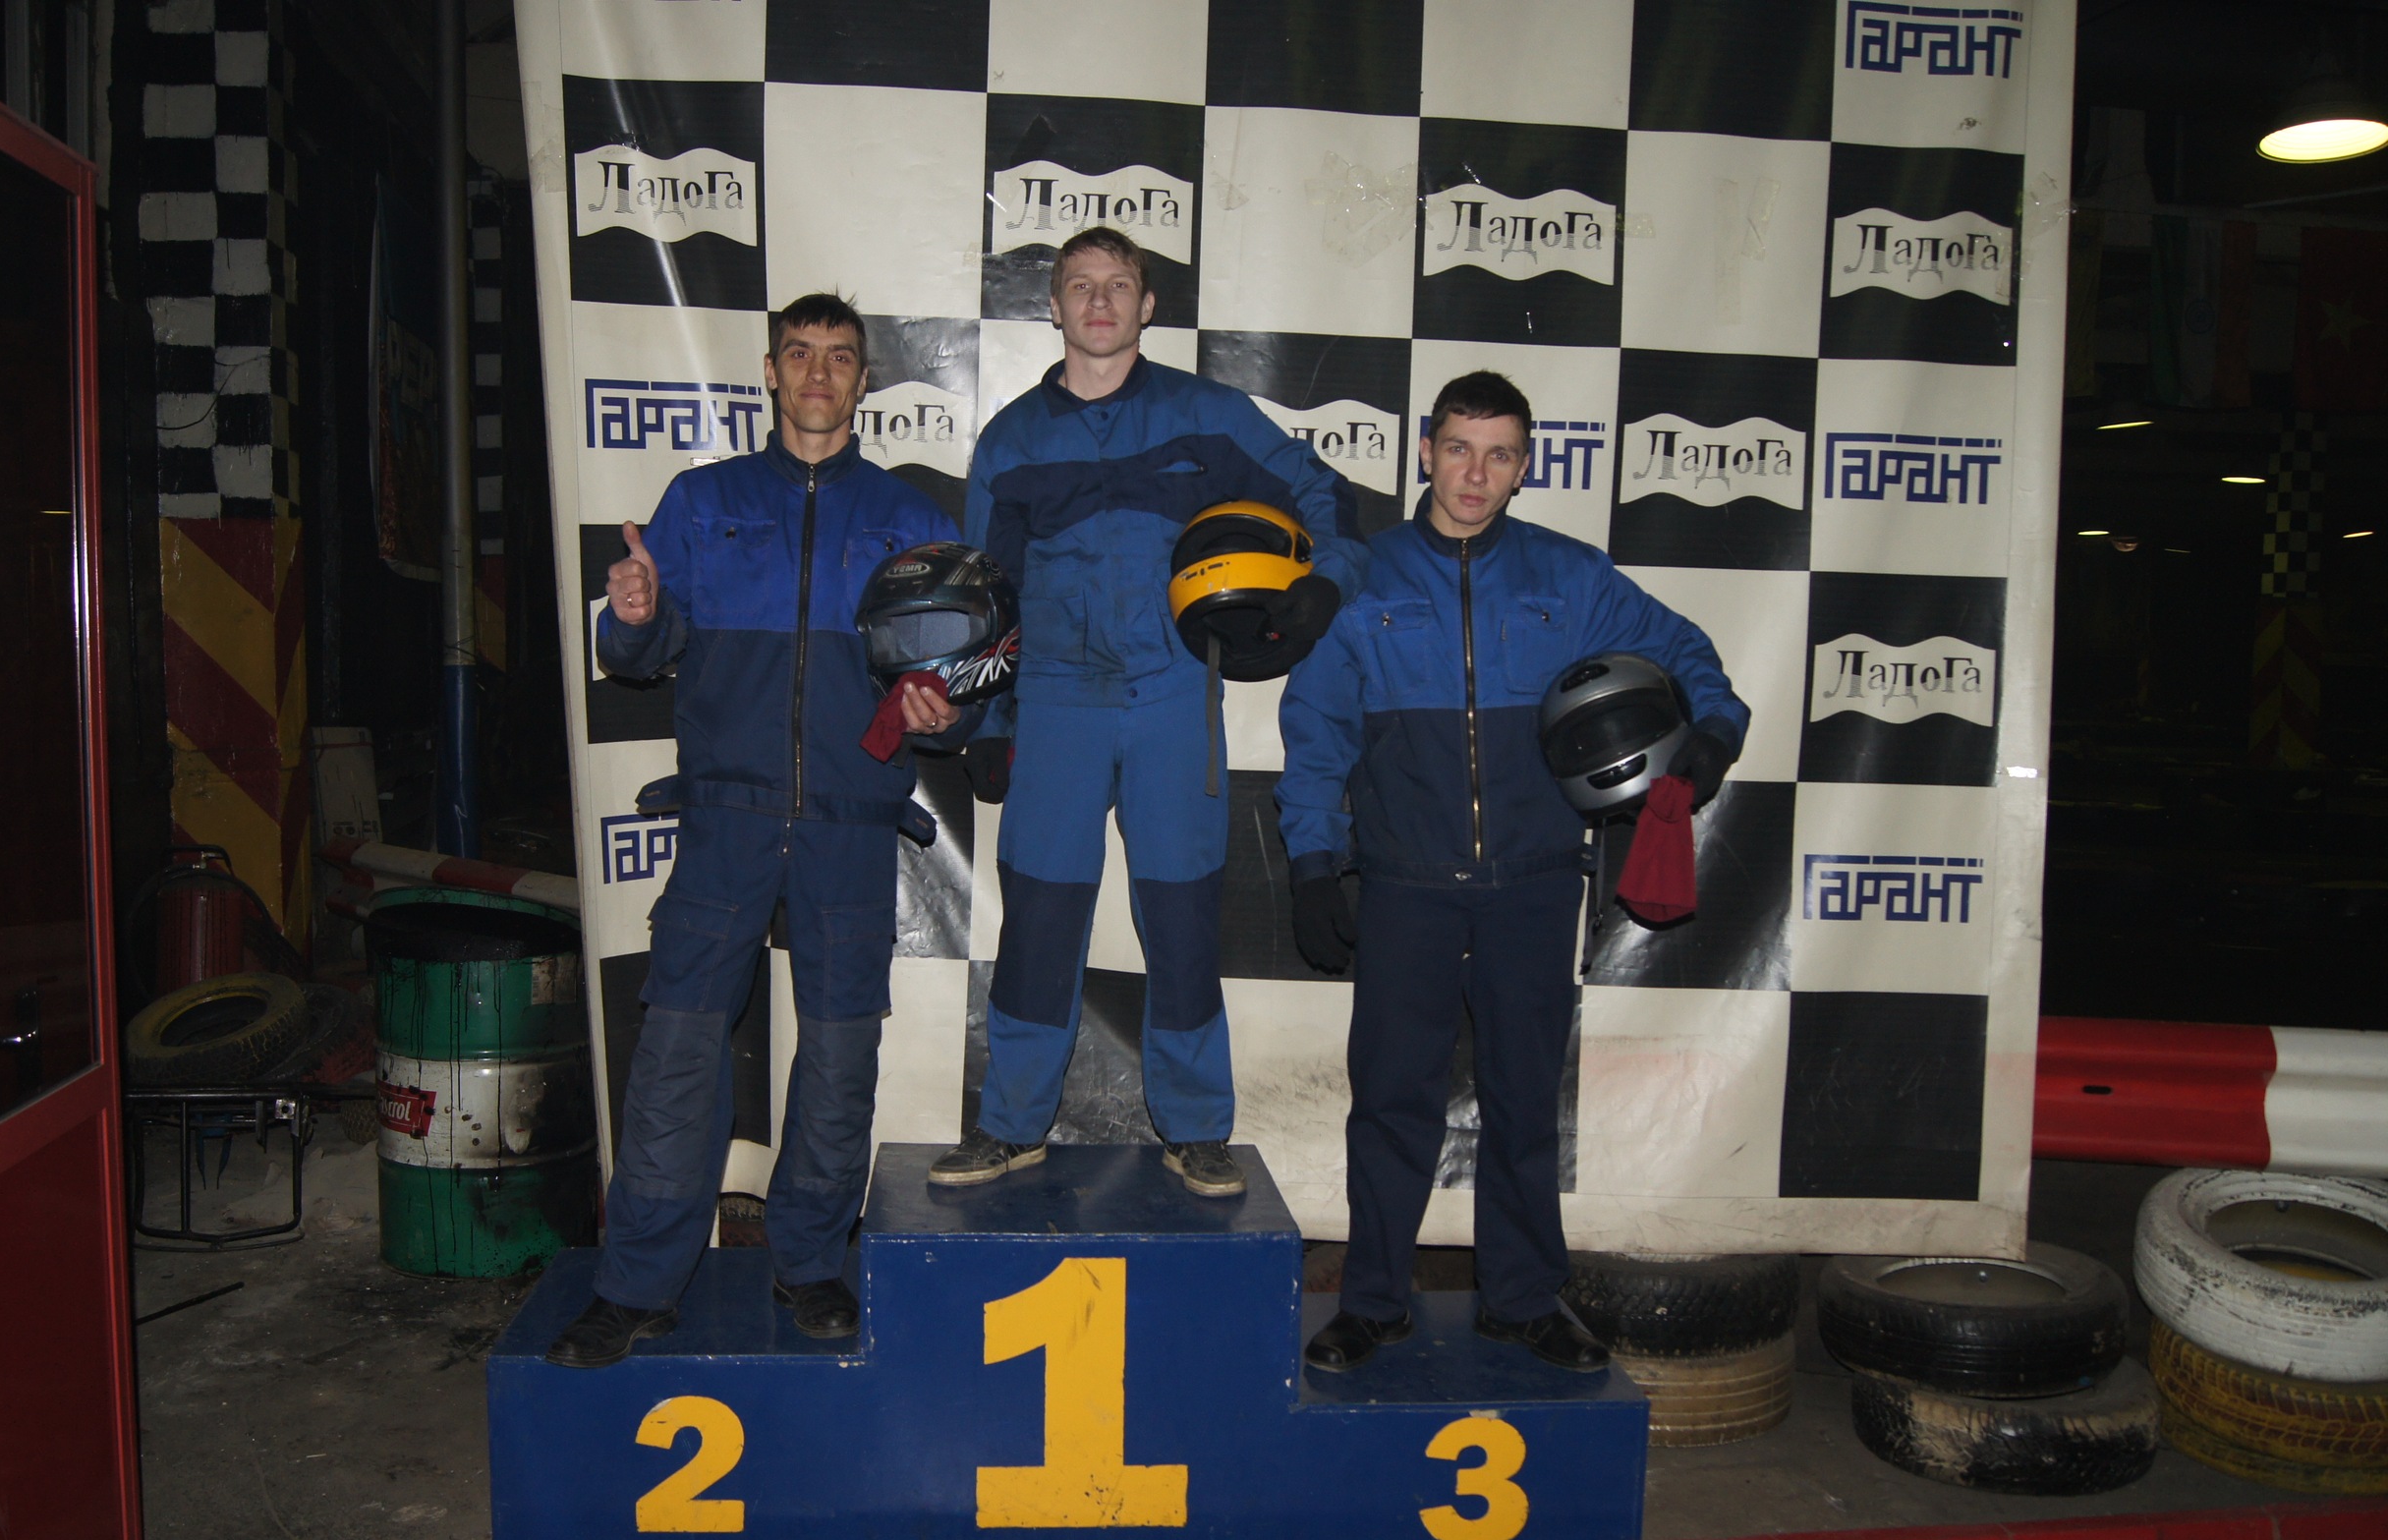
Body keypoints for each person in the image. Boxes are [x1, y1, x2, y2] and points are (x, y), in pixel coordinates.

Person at [1276, 371, 1748, 1373]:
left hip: (1535, 883)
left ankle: (1524, 1299)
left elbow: (1688, 652)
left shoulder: (1568, 577)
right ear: (1425, 452)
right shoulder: (1364, 578)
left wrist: (1711, 735)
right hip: (1404, 883)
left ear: (1525, 466)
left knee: (1525, 1102)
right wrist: (1314, 862)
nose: (1474, 473)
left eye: (1498, 454)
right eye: (1457, 448)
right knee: (1390, 1104)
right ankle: (1373, 1301)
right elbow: (1314, 732)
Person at [547, 294, 967, 1367]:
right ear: (770, 371)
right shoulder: (702, 502)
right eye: (800, 354)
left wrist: (946, 710)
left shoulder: (912, 520)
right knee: (677, 1054)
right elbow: (636, 654)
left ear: (863, 380)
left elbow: (960, 682)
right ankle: (638, 1284)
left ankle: (811, 1263)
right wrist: (632, 615)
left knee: (839, 1057)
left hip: (850, 826)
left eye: (840, 357)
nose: (819, 373)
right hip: (725, 819)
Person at [929, 228, 1369, 1197]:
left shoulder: (1207, 415)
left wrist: (1322, 585)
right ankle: (1011, 1124)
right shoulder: (1010, 440)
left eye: (1118, 285)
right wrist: (990, 726)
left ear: (1147, 305)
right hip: (1055, 707)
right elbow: (985, 600)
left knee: (1180, 920)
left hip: (1175, 700)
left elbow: (1324, 493)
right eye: (1080, 286)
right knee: (1039, 922)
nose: (1099, 302)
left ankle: (1197, 1128)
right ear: (1053, 307)